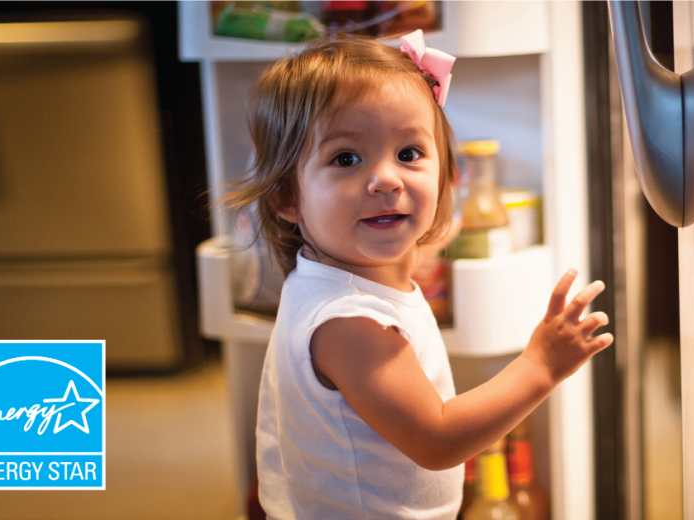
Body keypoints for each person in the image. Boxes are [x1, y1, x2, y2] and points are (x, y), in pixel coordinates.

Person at [222, 31, 613, 519]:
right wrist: (540, 364)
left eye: (409, 154)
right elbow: (438, 438)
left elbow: (415, 233)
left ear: (447, 174)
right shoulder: (350, 326)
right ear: (287, 197)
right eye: (346, 159)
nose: (387, 178)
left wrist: (435, 228)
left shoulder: (339, 271)